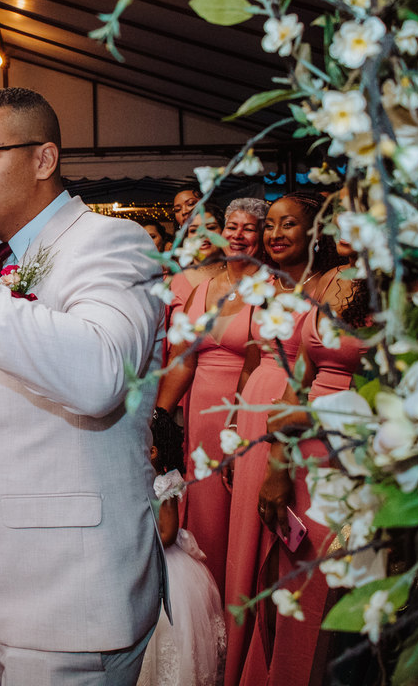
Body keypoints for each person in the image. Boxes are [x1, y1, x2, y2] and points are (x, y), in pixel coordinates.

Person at [0, 87, 164, 685]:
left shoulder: (111, 244)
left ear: (44, 159)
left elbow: (99, 375)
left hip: (72, 602)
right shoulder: (0, 262)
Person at [224, 192, 341, 686]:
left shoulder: (331, 287)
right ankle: (249, 662)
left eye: (287, 224)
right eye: (268, 225)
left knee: (290, 547)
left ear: (315, 233)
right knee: (249, 551)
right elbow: (252, 356)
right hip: (255, 416)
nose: (273, 234)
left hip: (292, 423)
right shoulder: (268, 285)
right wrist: (233, 425)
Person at [154, 197, 267, 593]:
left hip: (247, 413)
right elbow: (183, 362)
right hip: (201, 416)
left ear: (262, 236)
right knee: (203, 513)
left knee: (240, 515)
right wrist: (161, 417)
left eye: (248, 228)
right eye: (231, 227)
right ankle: (209, 601)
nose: (237, 236)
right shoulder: (202, 289)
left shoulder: (269, 288)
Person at [138, 412, 225, 686]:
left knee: (169, 630)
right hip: (145, 551)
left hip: (164, 560)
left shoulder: (165, 483)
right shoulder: (137, 477)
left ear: (152, 451)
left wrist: (141, 547)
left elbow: (167, 531)